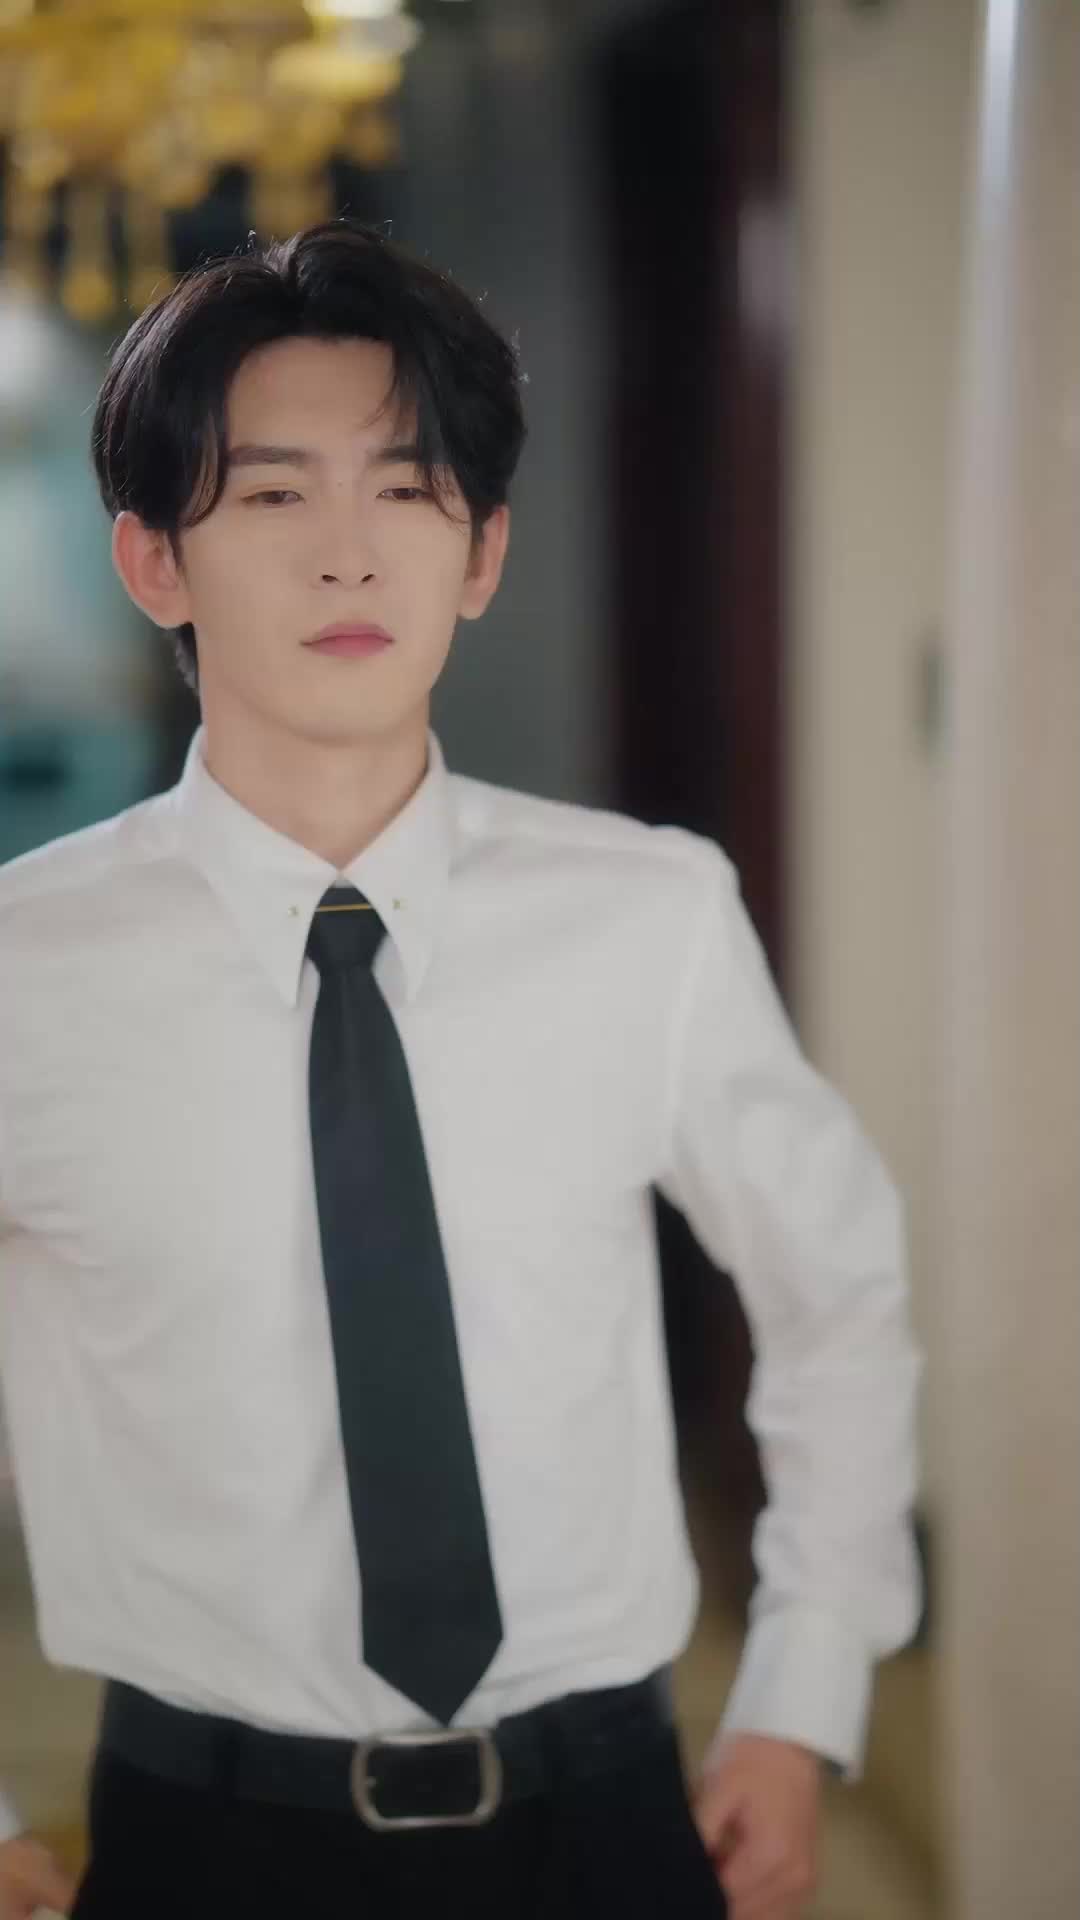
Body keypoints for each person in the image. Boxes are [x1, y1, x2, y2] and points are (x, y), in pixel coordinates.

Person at [0, 218, 922, 1920]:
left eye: (410, 491)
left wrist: (802, 1693)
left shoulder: (647, 915)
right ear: (153, 562)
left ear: (483, 550)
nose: (350, 558)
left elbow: (837, 1294)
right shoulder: (25, 969)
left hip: (606, 1822)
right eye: (273, 495)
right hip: (204, 1840)